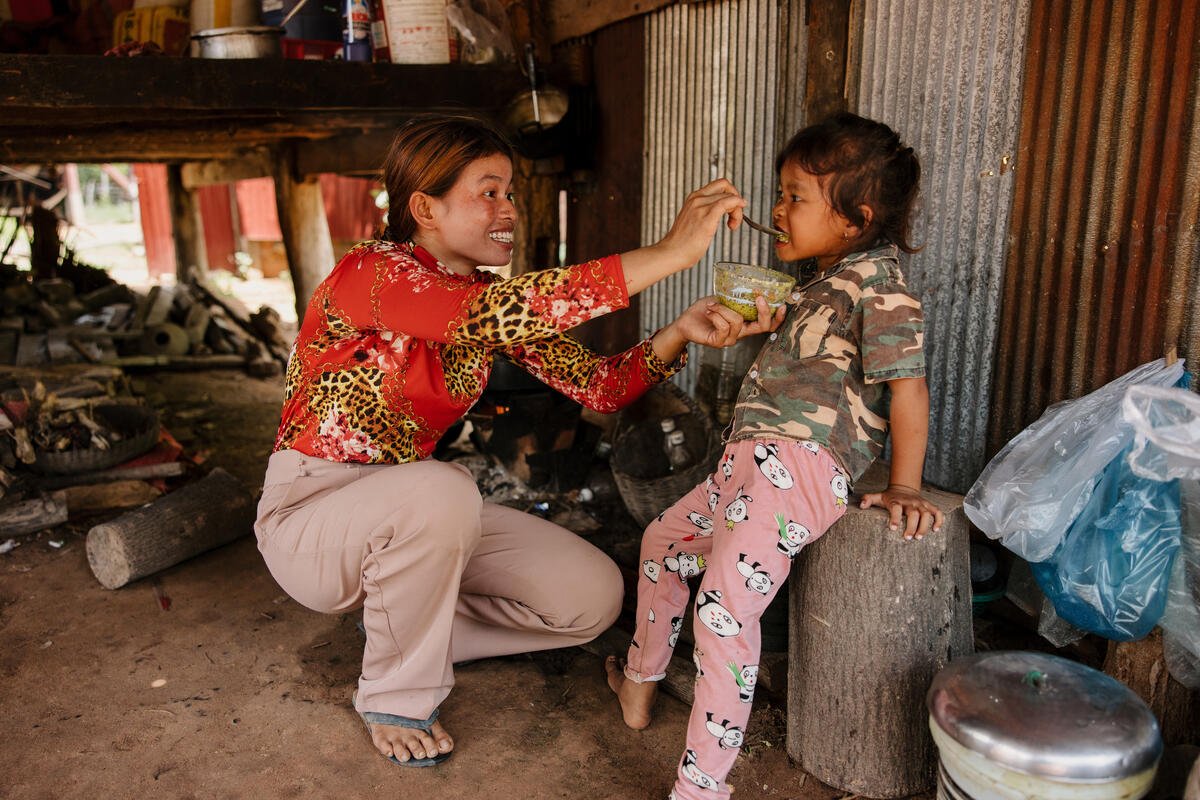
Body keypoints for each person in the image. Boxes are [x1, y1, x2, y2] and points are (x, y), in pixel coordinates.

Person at [253, 114, 784, 770]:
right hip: (311, 520)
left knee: (589, 597)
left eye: (511, 191)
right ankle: (394, 694)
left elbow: (600, 386)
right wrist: (672, 253)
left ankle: (399, 628)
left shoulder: (485, 297)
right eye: (488, 191)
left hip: (411, 515)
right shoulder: (373, 273)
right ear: (424, 206)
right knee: (444, 488)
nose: (509, 208)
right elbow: (484, 317)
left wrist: (678, 331)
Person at [605, 112, 946, 800]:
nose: (776, 209)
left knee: (722, 616)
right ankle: (638, 686)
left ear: (854, 219)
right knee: (663, 542)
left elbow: (908, 387)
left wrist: (906, 485)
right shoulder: (821, 283)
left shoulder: (880, 283)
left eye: (794, 196)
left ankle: (701, 790)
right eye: (780, 194)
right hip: (747, 467)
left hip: (798, 471)